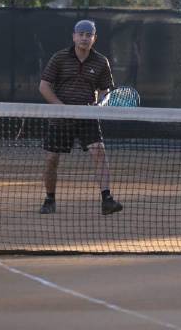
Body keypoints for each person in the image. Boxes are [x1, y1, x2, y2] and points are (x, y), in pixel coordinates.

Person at [38, 19, 124, 216]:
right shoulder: (59, 58)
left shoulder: (102, 62)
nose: (85, 38)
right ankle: (49, 199)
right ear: (74, 36)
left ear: (94, 38)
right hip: (60, 118)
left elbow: (105, 90)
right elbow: (44, 86)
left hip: (87, 116)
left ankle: (107, 200)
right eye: (81, 34)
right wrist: (60, 107)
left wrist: (100, 103)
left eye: (89, 35)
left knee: (98, 152)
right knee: (51, 159)